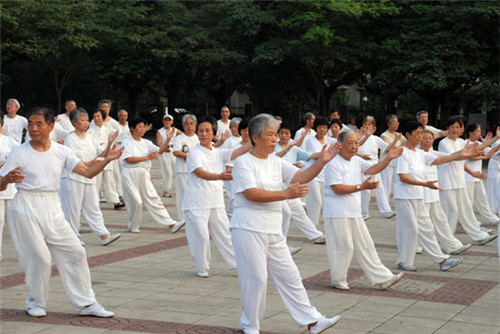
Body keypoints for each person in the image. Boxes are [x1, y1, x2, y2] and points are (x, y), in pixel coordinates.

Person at [0, 106, 119, 318]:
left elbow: (87, 172)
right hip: (26, 206)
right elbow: (1, 182)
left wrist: (107, 160)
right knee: (40, 258)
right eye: (30, 124)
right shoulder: (20, 152)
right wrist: (6, 180)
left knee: (75, 251)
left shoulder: (61, 151)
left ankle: (86, 303)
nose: (33, 128)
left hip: (53, 206)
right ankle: (35, 302)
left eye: (39, 124)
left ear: (51, 126)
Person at [231, 114, 340, 334]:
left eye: (275, 134)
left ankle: (312, 320)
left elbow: (301, 176)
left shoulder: (276, 162)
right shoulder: (243, 162)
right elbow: (251, 193)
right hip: (248, 227)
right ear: (255, 137)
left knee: (290, 275)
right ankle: (250, 325)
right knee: (256, 279)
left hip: (272, 229)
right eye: (269, 134)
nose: (274, 139)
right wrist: (284, 194)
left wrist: (322, 161)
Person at [394, 121, 485, 272]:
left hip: (418, 196)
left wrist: (463, 154)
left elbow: (442, 159)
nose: (420, 136)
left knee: (427, 228)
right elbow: (403, 177)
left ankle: (442, 260)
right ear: (407, 134)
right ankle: (404, 261)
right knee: (411, 229)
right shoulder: (402, 153)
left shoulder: (420, 153)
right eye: (417, 133)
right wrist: (425, 184)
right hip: (404, 197)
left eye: (421, 133)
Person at [323, 130, 404, 290]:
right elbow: (337, 188)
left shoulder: (356, 161)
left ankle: (383, 278)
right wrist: (363, 186)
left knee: (366, 245)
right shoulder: (333, 163)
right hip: (337, 212)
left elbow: (374, 169)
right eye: (350, 143)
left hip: (353, 211)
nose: (354, 147)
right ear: (339, 145)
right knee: (343, 246)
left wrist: (388, 158)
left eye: (356, 143)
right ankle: (338, 280)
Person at [183, 116, 251, 278]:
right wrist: (220, 176)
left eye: (207, 131)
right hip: (196, 203)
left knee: (225, 235)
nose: (204, 134)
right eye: (201, 131)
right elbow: (199, 173)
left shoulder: (218, 152)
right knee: (200, 237)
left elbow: (237, 151)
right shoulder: (194, 153)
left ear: (214, 133)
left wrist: (256, 141)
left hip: (215, 202)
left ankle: (236, 264)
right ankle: (202, 267)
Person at [61, 108, 122, 246]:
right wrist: (90, 163)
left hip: (88, 178)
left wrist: (110, 143)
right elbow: (72, 161)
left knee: (93, 207)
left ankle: (104, 235)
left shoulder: (90, 138)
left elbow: (103, 154)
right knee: (72, 209)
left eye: (86, 120)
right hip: (72, 178)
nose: (86, 122)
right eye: (82, 120)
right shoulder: (70, 139)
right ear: (74, 122)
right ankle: (72, 237)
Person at [438, 116, 497, 245]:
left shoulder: (461, 142)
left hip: (459, 181)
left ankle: (479, 236)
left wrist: (496, 138)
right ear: (447, 128)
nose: (455, 129)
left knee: (466, 210)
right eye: (452, 127)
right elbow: (456, 156)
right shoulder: (444, 143)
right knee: (452, 211)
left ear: (461, 129)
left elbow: (468, 157)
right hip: (447, 182)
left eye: (458, 127)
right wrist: (472, 152)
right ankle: (447, 240)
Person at [121, 118, 185, 233]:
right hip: (129, 173)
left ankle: (171, 223)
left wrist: (168, 139)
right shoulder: (127, 142)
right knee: (136, 201)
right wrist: (147, 158)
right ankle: (133, 225)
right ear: (132, 128)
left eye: (143, 127)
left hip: (143, 173)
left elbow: (160, 151)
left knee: (153, 198)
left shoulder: (146, 142)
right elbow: (128, 159)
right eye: (139, 127)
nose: (142, 129)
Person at [419, 130, 472, 255]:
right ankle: (416, 246)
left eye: (430, 139)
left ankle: (453, 245)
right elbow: (447, 158)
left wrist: (466, 152)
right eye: (424, 138)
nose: (427, 141)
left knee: (441, 220)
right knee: (422, 224)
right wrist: (461, 154)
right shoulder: (418, 154)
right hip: (421, 195)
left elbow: (451, 155)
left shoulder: (432, 152)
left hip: (433, 194)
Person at [275, 121, 326, 245]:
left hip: (290, 188)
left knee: (299, 212)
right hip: (276, 188)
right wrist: (291, 164)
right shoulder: (274, 147)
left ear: (290, 135)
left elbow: (310, 155)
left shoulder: (295, 149)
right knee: (286, 214)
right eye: (281, 133)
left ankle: (316, 235)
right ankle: (280, 243)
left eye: (286, 133)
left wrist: (325, 154)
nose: (284, 136)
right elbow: (274, 160)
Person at [358, 116, 398, 220]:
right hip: (362, 167)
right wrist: (362, 156)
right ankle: (364, 212)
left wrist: (395, 141)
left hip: (375, 166)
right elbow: (353, 150)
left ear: (373, 126)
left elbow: (387, 148)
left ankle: (386, 211)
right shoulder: (358, 137)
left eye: (370, 124)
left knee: (380, 189)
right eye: (366, 124)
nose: (367, 126)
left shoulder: (375, 139)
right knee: (365, 190)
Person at [87, 109, 124, 210]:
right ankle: (91, 202)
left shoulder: (107, 129)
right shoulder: (90, 131)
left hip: (107, 158)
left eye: (98, 116)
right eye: (94, 117)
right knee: (96, 182)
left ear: (103, 118)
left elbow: (118, 134)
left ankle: (115, 201)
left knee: (110, 181)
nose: (96, 119)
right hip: (97, 158)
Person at [464, 124, 500, 226]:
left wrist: (497, 142)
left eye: (480, 132)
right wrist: (483, 157)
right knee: (469, 201)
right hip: (468, 176)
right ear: (470, 132)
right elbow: (470, 157)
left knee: (483, 199)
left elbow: (492, 152)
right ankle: (471, 221)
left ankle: (491, 218)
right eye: (477, 132)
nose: (479, 134)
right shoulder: (465, 143)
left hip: (478, 177)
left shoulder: (479, 143)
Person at [304, 116, 336, 225]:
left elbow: (341, 144)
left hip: (324, 175)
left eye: (324, 127)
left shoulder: (329, 140)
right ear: (316, 128)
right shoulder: (311, 141)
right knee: (316, 201)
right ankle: (312, 226)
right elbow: (316, 156)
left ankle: (313, 224)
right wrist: (327, 154)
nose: (322, 130)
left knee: (322, 202)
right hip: (312, 174)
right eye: (320, 127)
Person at [94, 99, 123, 201]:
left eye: (107, 107)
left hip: (110, 153)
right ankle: (98, 196)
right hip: (98, 155)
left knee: (113, 175)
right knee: (97, 177)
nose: (105, 109)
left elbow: (119, 135)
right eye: (103, 107)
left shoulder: (113, 123)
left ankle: (117, 196)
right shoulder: (92, 124)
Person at [173, 114, 199, 221]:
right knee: (182, 194)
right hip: (182, 169)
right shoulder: (179, 138)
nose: (189, 126)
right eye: (187, 124)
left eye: (191, 124)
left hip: (196, 171)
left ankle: (193, 217)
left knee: (195, 194)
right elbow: (176, 152)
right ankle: (182, 219)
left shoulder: (197, 138)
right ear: (183, 126)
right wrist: (190, 156)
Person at [0, 115, 19, 261]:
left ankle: (23, 252)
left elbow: (20, 157)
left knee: (15, 223)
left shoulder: (10, 142)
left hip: (11, 190)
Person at [380, 114, 406, 201]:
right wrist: (396, 142)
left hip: (397, 163)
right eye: (393, 122)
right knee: (386, 186)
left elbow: (406, 144)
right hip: (387, 164)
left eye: (397, 122)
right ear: (388, 124)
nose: (396, 124)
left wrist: (397, 147)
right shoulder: (384, 135)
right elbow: (389, 148)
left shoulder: (399, 135)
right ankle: (385, 206)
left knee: (397, 185)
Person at [220, 117, 242, 216]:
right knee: (232, 193)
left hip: (240, 169)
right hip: (229, 168)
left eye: (236, 127)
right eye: (232, 127)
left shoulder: (243, 140)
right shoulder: (228, 141)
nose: (234, 129)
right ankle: (230, 210)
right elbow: (224, 155)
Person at [156, 114, 182, 197]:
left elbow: (184, 136)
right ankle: (166, 190)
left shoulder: (175, 130)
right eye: (166, 120)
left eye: (169, 120)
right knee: (167, 172)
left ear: (172, 122)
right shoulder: (160, 131)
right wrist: (164, 148)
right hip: (165, 152)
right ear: (163, 121)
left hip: (174, 151)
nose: (167, 122)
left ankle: (181, 188)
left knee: (178, 170)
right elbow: (158, 143)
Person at [485, 130, 500, 215]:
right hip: (494, 165)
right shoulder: (495, 140)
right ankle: (490, 210)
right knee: (492, 188)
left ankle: (497, 208)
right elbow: (494, 151)